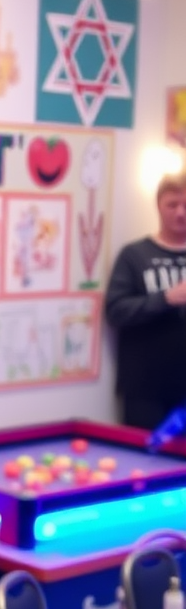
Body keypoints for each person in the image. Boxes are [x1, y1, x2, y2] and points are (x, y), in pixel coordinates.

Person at [104, 172, 186, 430]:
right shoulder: (134, 255)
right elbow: (115, 311)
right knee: (144, 465)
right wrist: (166, 298)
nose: (181, 213)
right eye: (172, 205)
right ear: (158, 206)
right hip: (144, 390)